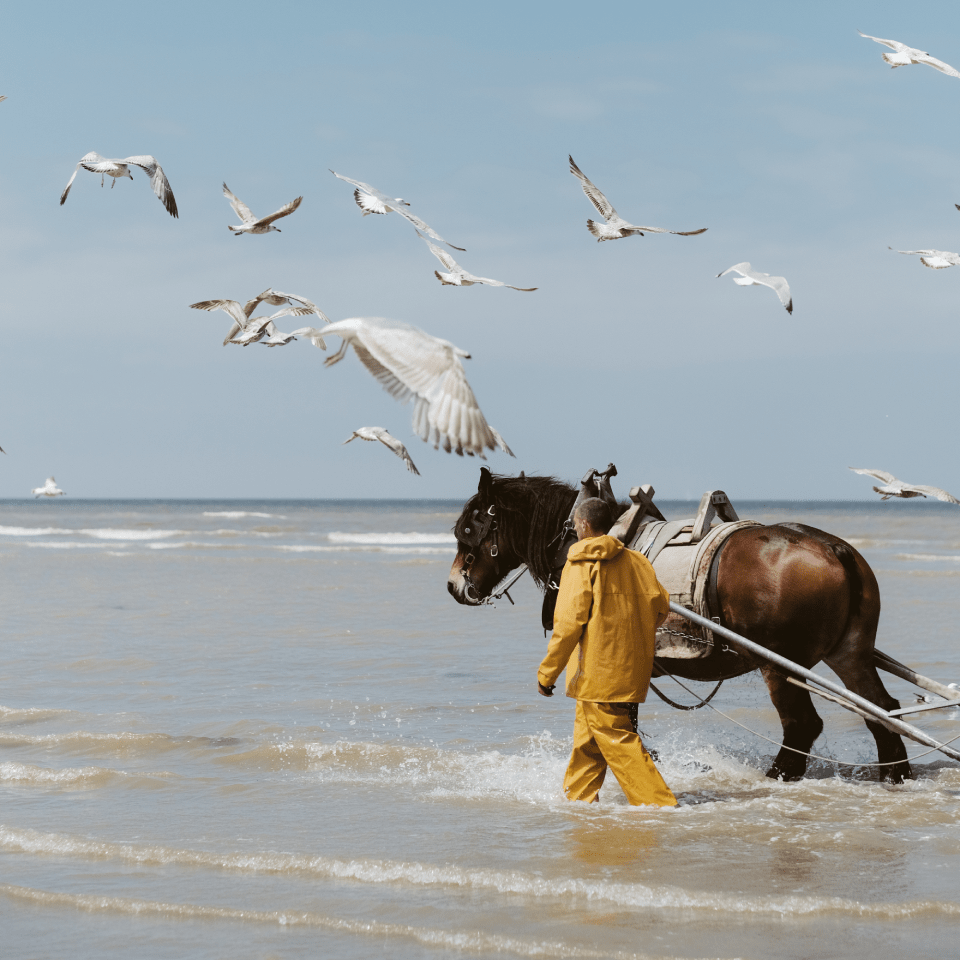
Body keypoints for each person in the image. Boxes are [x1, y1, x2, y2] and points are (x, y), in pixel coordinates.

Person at [537, 497, 677, 807]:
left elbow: (568, 625)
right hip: (628, 671)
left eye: (575, 524)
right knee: (587, 742)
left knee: (618, 740)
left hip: (596, 674)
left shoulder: (580, 565)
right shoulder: (637, 561)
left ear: (585, 525)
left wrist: (547, 673)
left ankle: (661, 807)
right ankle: (579, 802)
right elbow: (661, 608)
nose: (575, 529)